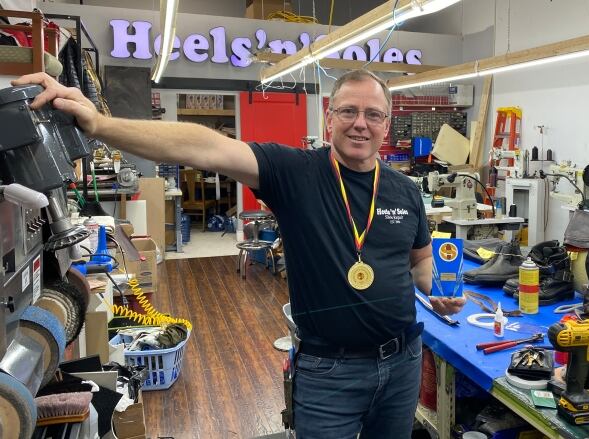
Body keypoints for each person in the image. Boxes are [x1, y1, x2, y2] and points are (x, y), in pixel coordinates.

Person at [12, 69, 465, 438]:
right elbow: (204, 146)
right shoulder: (295, 173)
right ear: (329, 119)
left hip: (403, 361)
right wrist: (99, 124)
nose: (360, 123)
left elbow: (420, 261)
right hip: (331, 372)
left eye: (373, 114)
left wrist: (437, 291)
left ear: (387, 124)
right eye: (348, 110)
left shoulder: (405, 192)